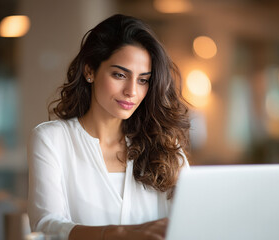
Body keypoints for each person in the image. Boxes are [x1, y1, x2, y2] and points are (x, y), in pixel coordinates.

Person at [27, 14, 190, 240]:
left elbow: (192, 221)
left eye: (143, 80)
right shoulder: (52, 139)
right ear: (90, 71)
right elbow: (46, 225)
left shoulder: (165, 144)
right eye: (119, 75)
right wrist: (120, 233)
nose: (132, 91)